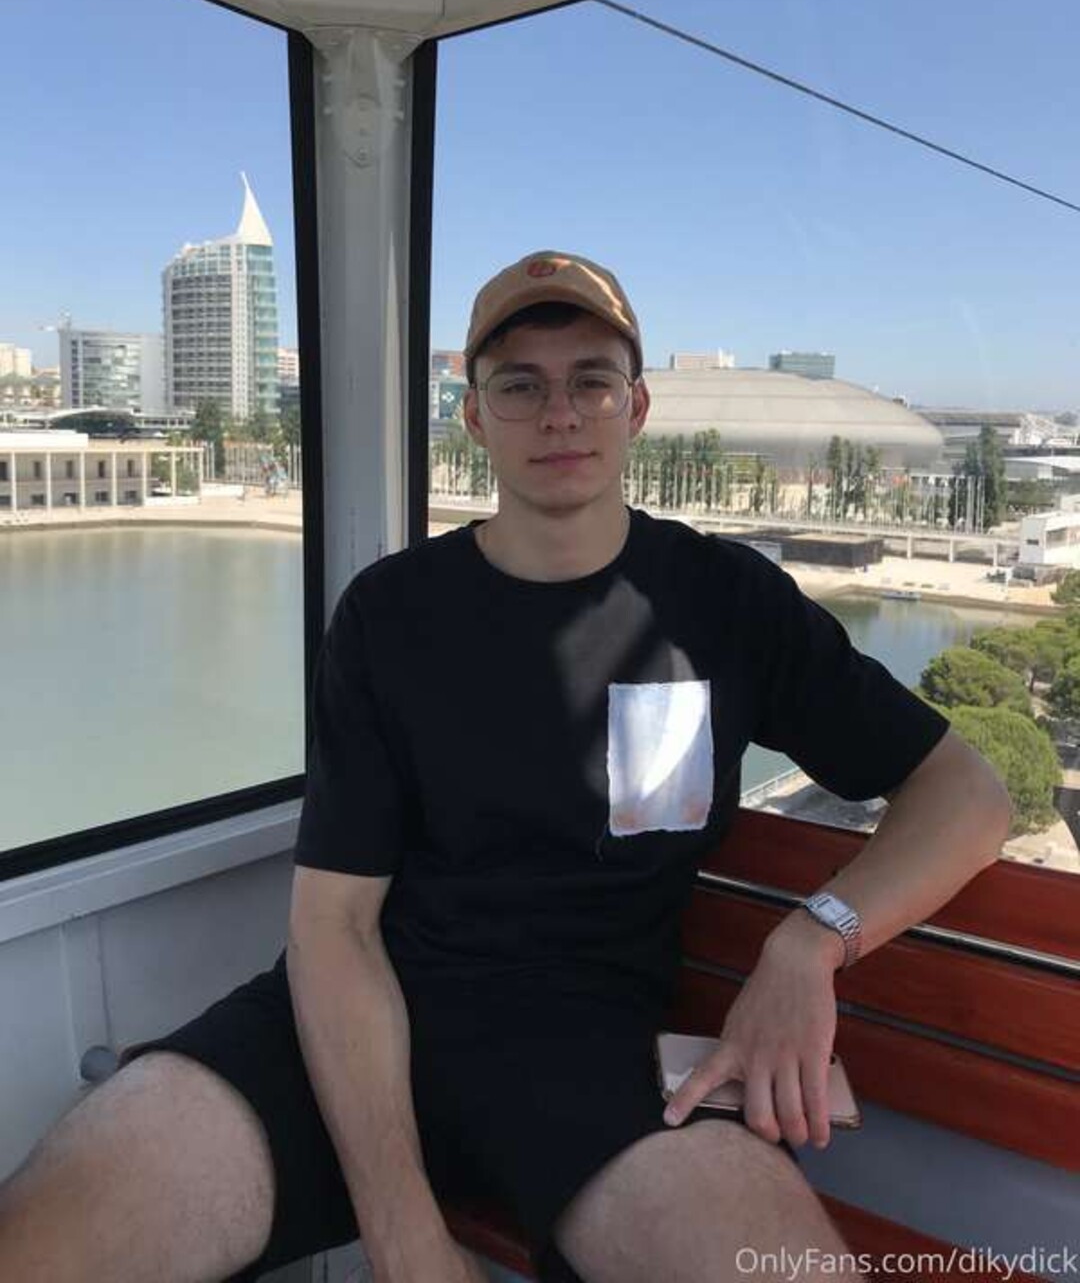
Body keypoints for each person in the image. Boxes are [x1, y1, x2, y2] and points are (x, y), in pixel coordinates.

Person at [0, 251, 1012, 1283]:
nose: (559, 414)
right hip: (351, 1031)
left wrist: (810, 945)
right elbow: (335, 927)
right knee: (43, 1244)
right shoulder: (392, 616)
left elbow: (967, 796)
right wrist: (401, 1230)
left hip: (591, 1057)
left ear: (637, 407)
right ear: (476, 418)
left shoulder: (724, 604)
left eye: (592, 381)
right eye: (520, 385)